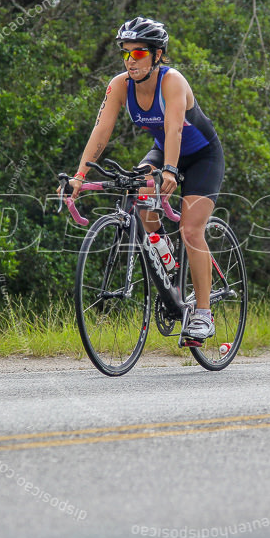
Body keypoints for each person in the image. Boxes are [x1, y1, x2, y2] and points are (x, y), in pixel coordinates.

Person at [66, 17, 225, 340]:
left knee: (191, 229)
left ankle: (204, 314)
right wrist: (80, 176)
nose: (130, 60)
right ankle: (166, 257)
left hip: (201, 157)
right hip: (162, 151)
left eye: (139, 53)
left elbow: (174, 128)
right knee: (138, 200)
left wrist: (169, 169)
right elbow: (102, 130)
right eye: (126, 53)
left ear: (158, 55)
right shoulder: (119, 85)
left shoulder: (173, 81)